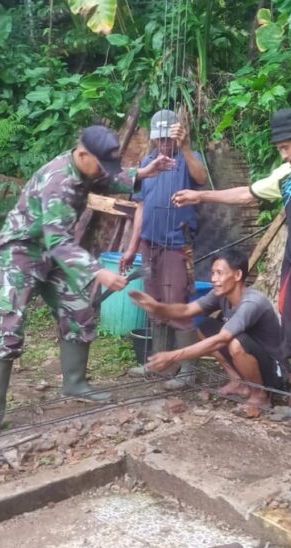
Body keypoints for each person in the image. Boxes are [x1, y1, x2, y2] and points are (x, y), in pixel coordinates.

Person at [0, 125, 175, 433]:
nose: (101, 170)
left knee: (80, 308)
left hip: (56, 252)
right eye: (99, 163)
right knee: (12, 324)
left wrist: (143, 173)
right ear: (83, 153)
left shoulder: (87, 167)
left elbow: (110, 179)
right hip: (22, 252)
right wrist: (98, 271)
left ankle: (74, 383)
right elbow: (58, 240)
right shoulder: (58, 181)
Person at [172, 108, 291, 420]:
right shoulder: (286, 175)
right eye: (280, 150)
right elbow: (246, 194)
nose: (284, 155)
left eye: (286, 147)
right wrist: (202, 197)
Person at [129, 249, 285, 413]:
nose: (213, 279)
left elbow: (221, 340)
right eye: (213, 273)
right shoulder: (221, 295)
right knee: (205, 326)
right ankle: (238, 382)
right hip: (251, 358)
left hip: (273, 372)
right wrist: (158, 307)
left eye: (219, 273)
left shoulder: (253, 302)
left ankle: (260, 397)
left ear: (238, 275)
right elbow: (186, 310)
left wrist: (173, 355)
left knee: (235, 344)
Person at [120, 109, 208, 389]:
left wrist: (185, 148)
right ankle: (161, 364)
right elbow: (141, 208)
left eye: (168, 139)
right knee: (155, 303)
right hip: (150, 244)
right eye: (160, 139)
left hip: (177, 245)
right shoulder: (148, 163)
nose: (164, 144)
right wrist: (132, 247)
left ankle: (187, 370)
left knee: (177, 304)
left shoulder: (186, 160)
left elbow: (202, 179)